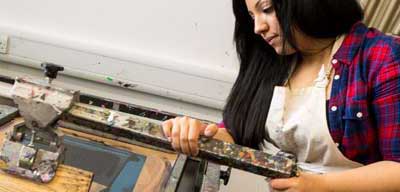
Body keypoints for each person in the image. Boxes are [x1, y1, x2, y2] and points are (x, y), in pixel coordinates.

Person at [162, 0, 400, 191]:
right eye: (252, 17)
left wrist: (319, 186)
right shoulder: (272, 63)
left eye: (266, 9)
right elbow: (237, 133)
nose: (258, 28)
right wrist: (197, 133)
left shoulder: (382, 57)